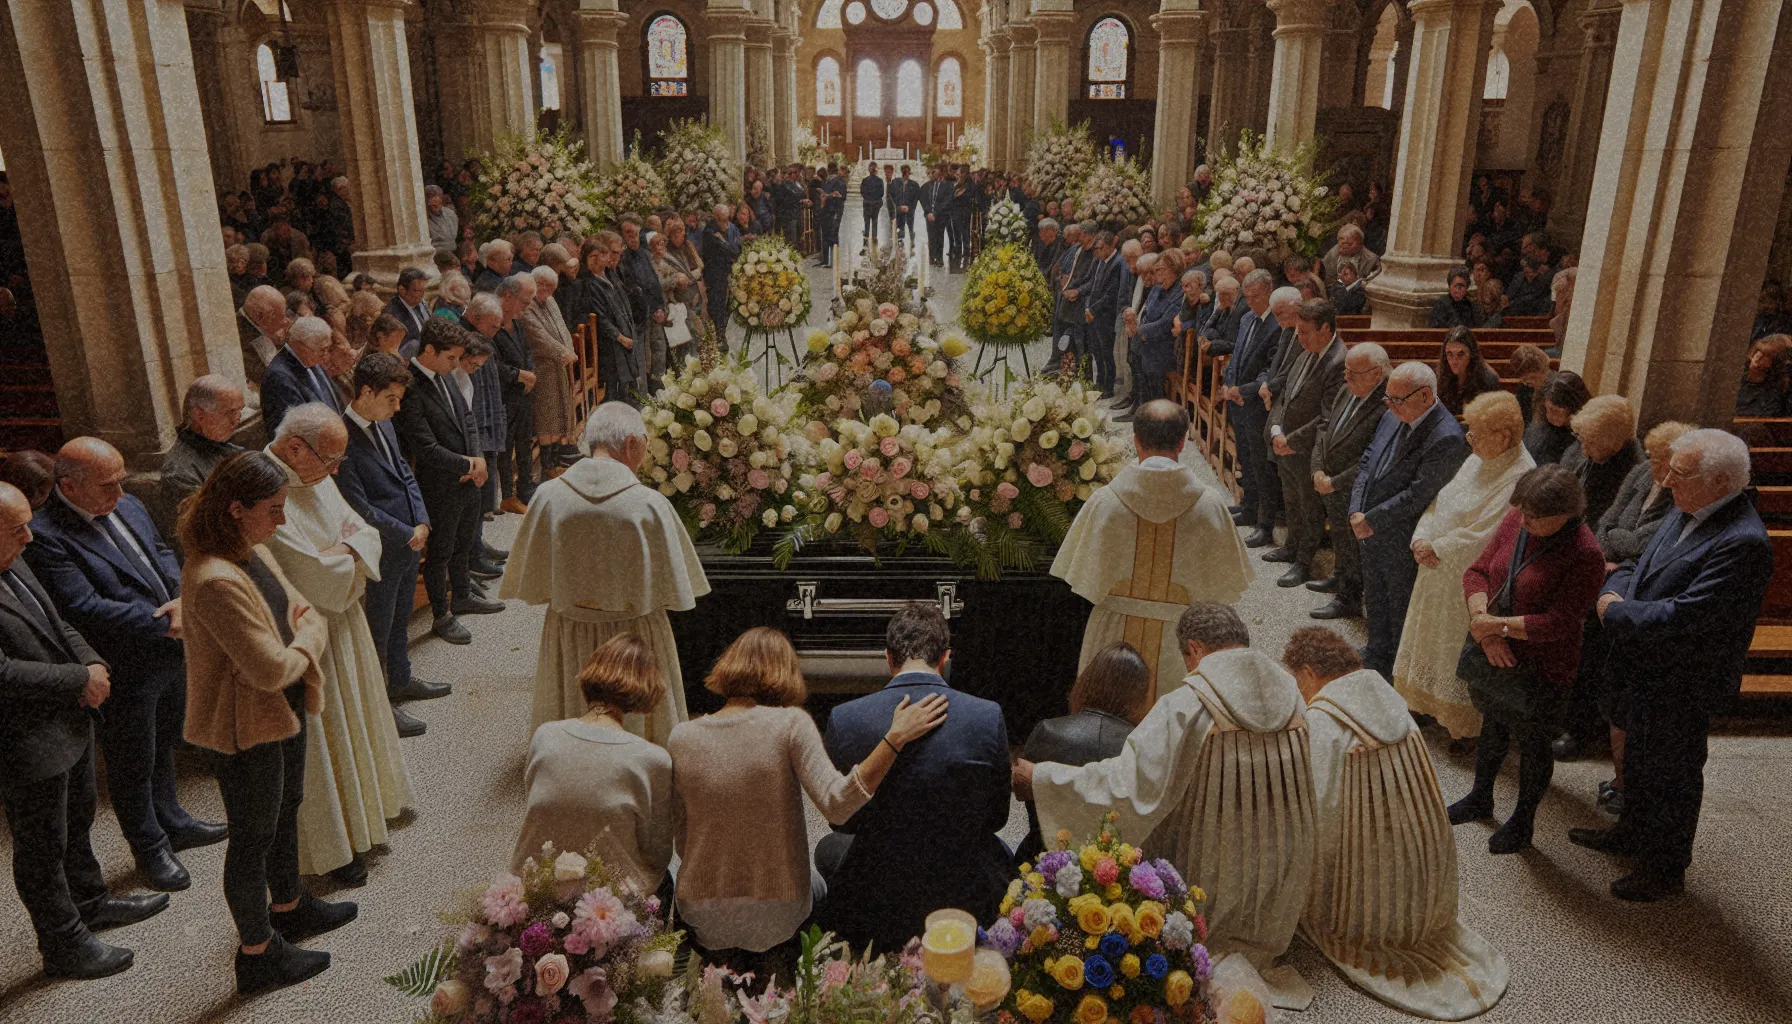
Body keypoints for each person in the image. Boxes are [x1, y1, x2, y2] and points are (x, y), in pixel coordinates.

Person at [1015, 602, 1318, 1010]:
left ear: (1193, 648)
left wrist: (1043, 779)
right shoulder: (1293, 696)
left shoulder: (1187, 704)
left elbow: (1126, 785)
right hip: (1277, 871)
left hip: (1213, 860)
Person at [177, 451, 355, 994]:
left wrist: (304, 634)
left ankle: (290, 905)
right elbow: (270, 666)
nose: (281, 521)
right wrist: (307, 639)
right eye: (273, 509)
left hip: (282, 709)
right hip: (244, 724)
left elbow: (304, 609)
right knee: (252, 835)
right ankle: (256, 954)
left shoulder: (252, 550)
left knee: (286, 810)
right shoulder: (213, 576)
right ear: (236, 508)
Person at [670, 626, 946, 971]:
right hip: (778, 911)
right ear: (785, 672)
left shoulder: (680, 736)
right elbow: (838, 805)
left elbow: (681, 838)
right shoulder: (789, 724)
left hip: (700, 911)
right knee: (821, 880)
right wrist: (894, 738)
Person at [1572, 430, 1773, 900]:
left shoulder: (1743, 542)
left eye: (1679, 474)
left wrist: (1615, 611)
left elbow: (1691, 614)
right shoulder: (1690, 505)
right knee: (1639, 760)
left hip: (1684, 677)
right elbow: (1639, 565)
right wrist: (1613, 590)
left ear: (1721, 481)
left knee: (1673, 772)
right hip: (1646, 663)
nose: (1663, 480)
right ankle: (1631, 831)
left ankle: (1665, 868)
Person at [25, 438, 224, 892]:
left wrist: (181, 597)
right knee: (132, 760)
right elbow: (82, 606)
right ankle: (149, 849)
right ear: (69, 487)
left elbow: (162, 552)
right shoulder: (46, 535)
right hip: (125, 662)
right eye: (106, 485)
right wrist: (164, 621)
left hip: (169, 644)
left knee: (162, 744)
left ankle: (173, 819)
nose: (119, 493)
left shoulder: (128, 504)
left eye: (121, 480)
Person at [1285, 629, 1510, 1019]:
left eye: (1296, 682)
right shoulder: (1390, 699)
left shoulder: (1323, 720)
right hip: (1422, 874)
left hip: (1361, 898)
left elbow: (1313, 813)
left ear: (1307, 672)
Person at [0, 480, 168, 980]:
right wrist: (80, 677)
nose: (30, 538)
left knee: (77, 824)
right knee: (42, 847)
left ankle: (92, 902)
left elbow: (58, 621)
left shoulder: (14, 555)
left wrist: (91, 661)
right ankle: (63, 944)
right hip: (25, 738)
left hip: (67, 719)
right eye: (16, 530)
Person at [262, 404, 414, 886]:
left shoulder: (317, 472)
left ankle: (371, 813)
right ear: (293, 448)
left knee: (359, 719)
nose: (335, 471)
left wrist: (344, 550)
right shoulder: (266, 487)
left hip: (345, 622)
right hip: (307, 630)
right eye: (329, 460)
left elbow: (362, 531)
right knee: (327, 738)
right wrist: (346, 551)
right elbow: (308, 571)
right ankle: (336, 846)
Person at [501, 403, 708, 745]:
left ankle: (568, 758)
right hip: (635, 636)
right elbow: (676, 590)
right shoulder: (648, 505)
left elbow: (533, 579)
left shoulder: (548, 497)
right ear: (630, 443)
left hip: (571, 631)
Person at [815, 602, 1011, 956]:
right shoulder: (987, 715)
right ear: (945, 657)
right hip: (962, 889)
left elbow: (840, 822)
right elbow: (997, 818)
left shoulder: (845, 718)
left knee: (828, 850)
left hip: (876, 891)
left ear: (889, 658)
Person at [1449, 465, 1604, 857]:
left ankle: (1523, 821)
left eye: (1537, 517)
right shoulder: (1517, 520)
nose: (1526, 522)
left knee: (1535, 747)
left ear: (1568, 512)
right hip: (1497, 652)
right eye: (1523, 513)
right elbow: (1478, 571)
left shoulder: (1585, 553)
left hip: (1545, 666)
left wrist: (1493, 628)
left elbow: (1560, 622)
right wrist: (1483, 626)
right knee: (1493, 729)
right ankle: (1480, 798)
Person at [1053, 399, 1252, 696]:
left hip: (1114, 642)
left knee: (1109, 719)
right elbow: (1223, 593)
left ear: (1135, 440)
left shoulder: (1106, 502)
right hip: (1183, 643)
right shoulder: (1210, 505)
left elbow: (1080, 579)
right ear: (1183, 441)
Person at [1391, 391, 1536, 739]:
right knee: (1427, 639)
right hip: (1434, 567)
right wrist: (1421, 537)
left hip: (1466, 577)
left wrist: (1436, 546)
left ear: (1503, 436)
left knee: (1452, 648)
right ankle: (1423, 705)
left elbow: (1488, 533)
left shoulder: (1521, 473)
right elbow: (1442, 500)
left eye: (1476, 434)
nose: (1469, 442)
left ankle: (1462, 728)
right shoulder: (1477, 458)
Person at [334, 352, 445, 737]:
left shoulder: (384, 425)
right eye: (391, 399)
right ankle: (382, 705)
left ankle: (401, 678)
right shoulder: (341, 437)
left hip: (408, 537)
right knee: (378, 627)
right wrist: (404, 531)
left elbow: (405, 474)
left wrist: (422, 519)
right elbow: (356, 505)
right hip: (380, 545)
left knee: (400, 618)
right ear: (366, 391)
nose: (398, 409)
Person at [513, 633, 673, 895]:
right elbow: (658, 852)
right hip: (609, 901)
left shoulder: (545, 734)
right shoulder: (653, 759)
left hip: (534, 885)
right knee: (665, 880)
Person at [1350, 361, 1469, 678]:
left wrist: (1371, 518)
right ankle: (1376, 651)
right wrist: (1355, 508)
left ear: (1426, 396)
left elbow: (1420, 494)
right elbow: (1367, 460)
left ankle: (1398, 669)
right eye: (1387, 397)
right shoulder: (1394, 413)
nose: (1389, 406)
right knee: (1374, 593)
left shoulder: (1446, 437)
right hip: (1370, 526)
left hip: (1402, 533)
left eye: (1397, 399)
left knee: (1399, 602)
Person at [393, 319, 490, 645]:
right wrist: (468, 463)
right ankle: (441, 615)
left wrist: (478, 459)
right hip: (438, 482)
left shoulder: (445, 375)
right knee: (441, 551)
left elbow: (467, 418)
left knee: (464, 539)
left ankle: (462, 592)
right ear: (430, 350)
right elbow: (425, 447)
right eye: (451, 358)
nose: (456, 365)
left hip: (466, 474)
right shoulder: (411, 387)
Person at [1013, 641, 1149, 865]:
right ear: (1138, 695)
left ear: (1086, 682)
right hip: (1118, 870)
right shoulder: (1141, 746)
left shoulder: (1048, 730)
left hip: (1043, 857)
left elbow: (1030, 802)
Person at [1265, 299, 1349, 589]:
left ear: (1325, 328)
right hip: (1285, 443)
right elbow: (1286, 396)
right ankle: (1291, 547)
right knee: (1291, 500)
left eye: (1304, 332)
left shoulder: (1339, 362)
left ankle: (1304, 563)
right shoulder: (1305, 352)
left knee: (1310, 508)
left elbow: (1328, 416)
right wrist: (1277, 430)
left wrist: (1292, 440)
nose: (1298, 338)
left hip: (1309, 449)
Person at [1307, 342, 1389, 621]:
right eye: (1346, 371)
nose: (1346, 378)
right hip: (1329, 481)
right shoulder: (1347, 389)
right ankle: (1339, 577)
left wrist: (1335, 481)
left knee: (1353, 546)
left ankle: (1349, 598)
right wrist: (1317, 468)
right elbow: (1325, 428)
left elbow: (1373, 458)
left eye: (1354, 373)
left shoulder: (1387, 406)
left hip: (1354, 489)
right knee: (1340, 539)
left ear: (1377, 374)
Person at [1222, 270, 1284, 547]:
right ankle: (1248, 507)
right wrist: (1229, 384)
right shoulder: (1247, 318)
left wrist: (1242, 391)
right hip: (1238, 400)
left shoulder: (1277, 324)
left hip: (1258, 404)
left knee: (1262, 465)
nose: (1250, 302)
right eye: (1246, 297)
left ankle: (1264, 523)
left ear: (1269, 292)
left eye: (1255, 296)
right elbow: (1237, 356)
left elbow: (1270, 369)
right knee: (1245, 457)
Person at [158, 375, 246, 537]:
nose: (236, 420)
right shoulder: (180, 472)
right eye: (231, 412)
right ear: (199, 416)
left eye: (240, 410)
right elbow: (206, 534)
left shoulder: (234, 451)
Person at [520, 265, 581, 472]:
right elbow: (537, 336)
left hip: (559, 365)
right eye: (541, 284)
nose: (545, 289)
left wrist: (569, 350)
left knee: (558, 414)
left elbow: (562, 328)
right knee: (547, 416)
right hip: (542, 366)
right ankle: (547, 465)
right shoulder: (527, 306)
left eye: (550, 285)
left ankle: (556, 459)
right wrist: (561, 353)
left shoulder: (551, 300)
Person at [1560, 393, 1641, 527]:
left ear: (1616, 444)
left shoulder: (1633, 477)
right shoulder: (1592, 443)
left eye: (1590, 443)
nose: (1584, 451)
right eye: (1581, 439)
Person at [261, 315, 344, 433]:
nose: (326, 357)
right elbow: (298, 430)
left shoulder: (310, 359)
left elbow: (335, 402)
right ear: (299, 346)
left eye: (328, 349)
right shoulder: (279, 377)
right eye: (322, 350)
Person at [1524, 370, 1590, 465]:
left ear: (1573, 406)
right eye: (1547, 409)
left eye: (1554, 411)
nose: (1548, 416)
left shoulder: (1585, 437)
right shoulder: (1542, 429)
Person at [1435, 326, 1502, 417]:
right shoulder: (1440, 378)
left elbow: (1492, 420)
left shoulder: (1488, 381)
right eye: (1450, 354)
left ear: (1471, 355)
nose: (1454, 361)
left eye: (1460, 355)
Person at [1735, 333, 1791, 420]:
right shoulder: (1735, 379)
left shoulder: (1777, 390)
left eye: (1764, 355)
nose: (1756, 357)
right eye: (1757, 351)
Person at [383, 267, 431, 348]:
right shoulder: (392, 315)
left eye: (423, 291)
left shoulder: (420, 302)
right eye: (416, 291)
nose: (421, 295)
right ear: (402, 290)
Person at [1507, 343, 1552, 423]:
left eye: (1533, 377)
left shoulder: (1557, 388)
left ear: (1544, 370)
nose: (1528, 382)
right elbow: (1523, 420)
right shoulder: (1524, 389)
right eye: (1524, 380)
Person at [425, 185, 458, 255]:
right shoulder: (423, 219)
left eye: (439, 196)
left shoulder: (450, 214)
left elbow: (453, 236)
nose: (436, 199)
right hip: (435, 256)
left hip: (453, 253)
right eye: (431, 197)